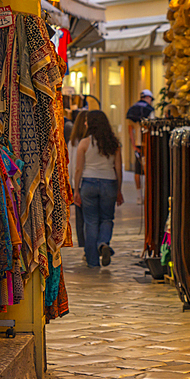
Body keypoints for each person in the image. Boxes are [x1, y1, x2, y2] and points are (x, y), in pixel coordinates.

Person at [72, 110, 123, 267]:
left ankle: (93, 261)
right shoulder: (114, 144)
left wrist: (76, 190)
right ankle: (103, 243)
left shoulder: (84, 143)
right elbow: (118, 168)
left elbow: (78, 169)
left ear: (91, 124)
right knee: (107, 218)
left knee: (91, 222)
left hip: (88, 184)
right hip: (109, 183)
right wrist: (119, 190)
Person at [125, 89, 155, 204]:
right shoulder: (149, 110)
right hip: (147, 143)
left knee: (138, 171)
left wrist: (133, 145)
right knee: (148, 169)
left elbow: (130, 129)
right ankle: (148, 195)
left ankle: (139, 196)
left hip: (137, 144)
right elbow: (151, 127)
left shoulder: (132, 110)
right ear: (148, 98)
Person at [67, 110, 89, 249]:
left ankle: (83, 244)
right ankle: (91, 245)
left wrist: (72, 184)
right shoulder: (88, 141)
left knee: (81, 217)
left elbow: (71, 164)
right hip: (86, 179)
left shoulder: (74, 141)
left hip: (77, 182)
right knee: (91, 217)